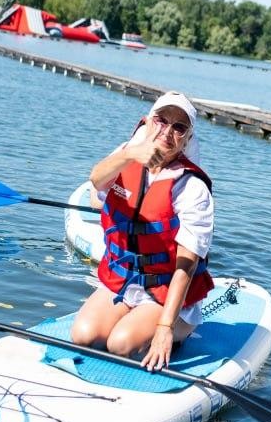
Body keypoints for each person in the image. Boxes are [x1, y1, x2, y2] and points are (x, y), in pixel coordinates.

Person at [71, 91, 213, 371]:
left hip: (166, 289)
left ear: (187, 138)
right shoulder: (126, 155)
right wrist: (131, 153)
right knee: (83, 336)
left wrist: (164, 327)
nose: (168, 131)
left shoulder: (191, 186)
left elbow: (187, 262)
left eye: (179, 127)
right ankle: (134, 318)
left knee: (120, 345)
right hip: (123, 280)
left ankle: (180, 330)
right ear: (148, 122)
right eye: (161, 121)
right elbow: (97, 183)